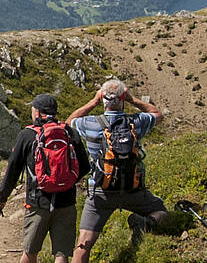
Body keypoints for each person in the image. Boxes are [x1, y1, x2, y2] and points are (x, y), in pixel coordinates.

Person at [68, 79, 168, 263]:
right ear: (122, 98)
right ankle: (145, 222)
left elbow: (69, 122)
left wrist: (93, 101)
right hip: (133, 189)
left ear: (103, 99)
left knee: (83, 244)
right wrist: (133, 100)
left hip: (100, 193)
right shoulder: (135, 123)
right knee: (162, 212)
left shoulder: (91, 124)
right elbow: (158, 114)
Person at [0, 94, 90, 263]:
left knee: (30, 252)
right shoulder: (70, 133)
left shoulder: (27, 135)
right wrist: (65, 181)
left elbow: (13, 170)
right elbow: (85, 167)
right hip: (66, 202)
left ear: (37, 113)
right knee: (61, 254)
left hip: (38, 202)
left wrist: (1, 198)